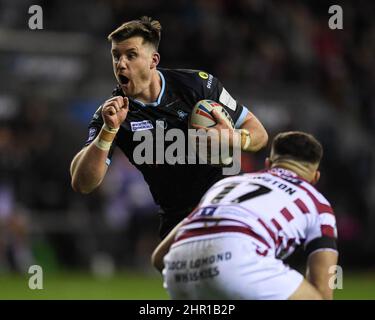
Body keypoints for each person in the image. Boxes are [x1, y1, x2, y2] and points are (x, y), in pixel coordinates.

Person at [70, 16, 268, 238]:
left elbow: (259, 132)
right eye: (116, 56)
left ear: (153, 60)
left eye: (131, 55)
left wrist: (234, 138)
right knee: (163, 264)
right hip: (178, 217)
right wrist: (108, 131)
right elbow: (82, 183)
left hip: (228, 201)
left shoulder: (197, 86)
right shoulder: (112, 115)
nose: (121, 63)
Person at [151, 131, 338, 300]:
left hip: (178, 268)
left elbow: (159, 257)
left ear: (268, 164)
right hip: (238, 260)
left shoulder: (226, 185)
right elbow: (324, 288)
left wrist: (193, 274)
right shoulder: (318, 203)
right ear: (315, 178)